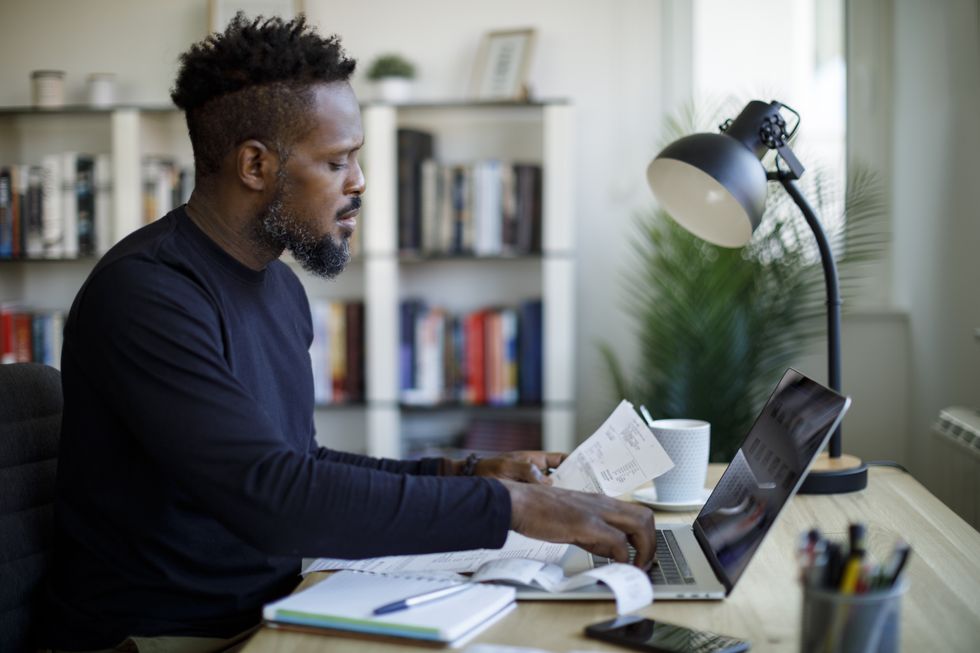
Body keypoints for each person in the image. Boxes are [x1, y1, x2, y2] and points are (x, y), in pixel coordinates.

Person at [39, 14, 656, 652]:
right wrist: (512, 507)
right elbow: (276, 499)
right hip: (162, 637)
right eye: (338, 161)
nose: (359, 181)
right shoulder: (148, 295)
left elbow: (301, 466)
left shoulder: (277, 286)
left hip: (272, 606)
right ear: (255, 163)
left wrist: (466, 469)